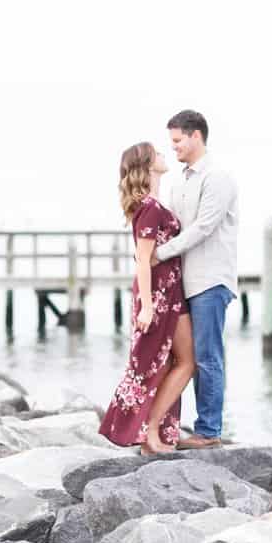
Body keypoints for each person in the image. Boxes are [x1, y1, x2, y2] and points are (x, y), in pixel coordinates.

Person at [98, 142, 196, 455]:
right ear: (147, 164)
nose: (165, 154)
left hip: (172, 292)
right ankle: (149, 433)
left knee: (180, 362)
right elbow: (143, 259)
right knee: (153, 365)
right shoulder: (149, 208)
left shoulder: (156, 203)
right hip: (156, 296)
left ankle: (156, 432)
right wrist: (148, 307)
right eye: (157, 152)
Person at [154, 110, 238, 450]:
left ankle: (209, 430)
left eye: (177, 141)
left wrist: (160, 254)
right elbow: (172, 224)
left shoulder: (217, 178)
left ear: (196, 137)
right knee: (182, 358)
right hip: (184, 282)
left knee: (207, 356)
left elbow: (204, 228)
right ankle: (177, 427)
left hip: (209, 280)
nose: (173, 148)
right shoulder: (181, 181)